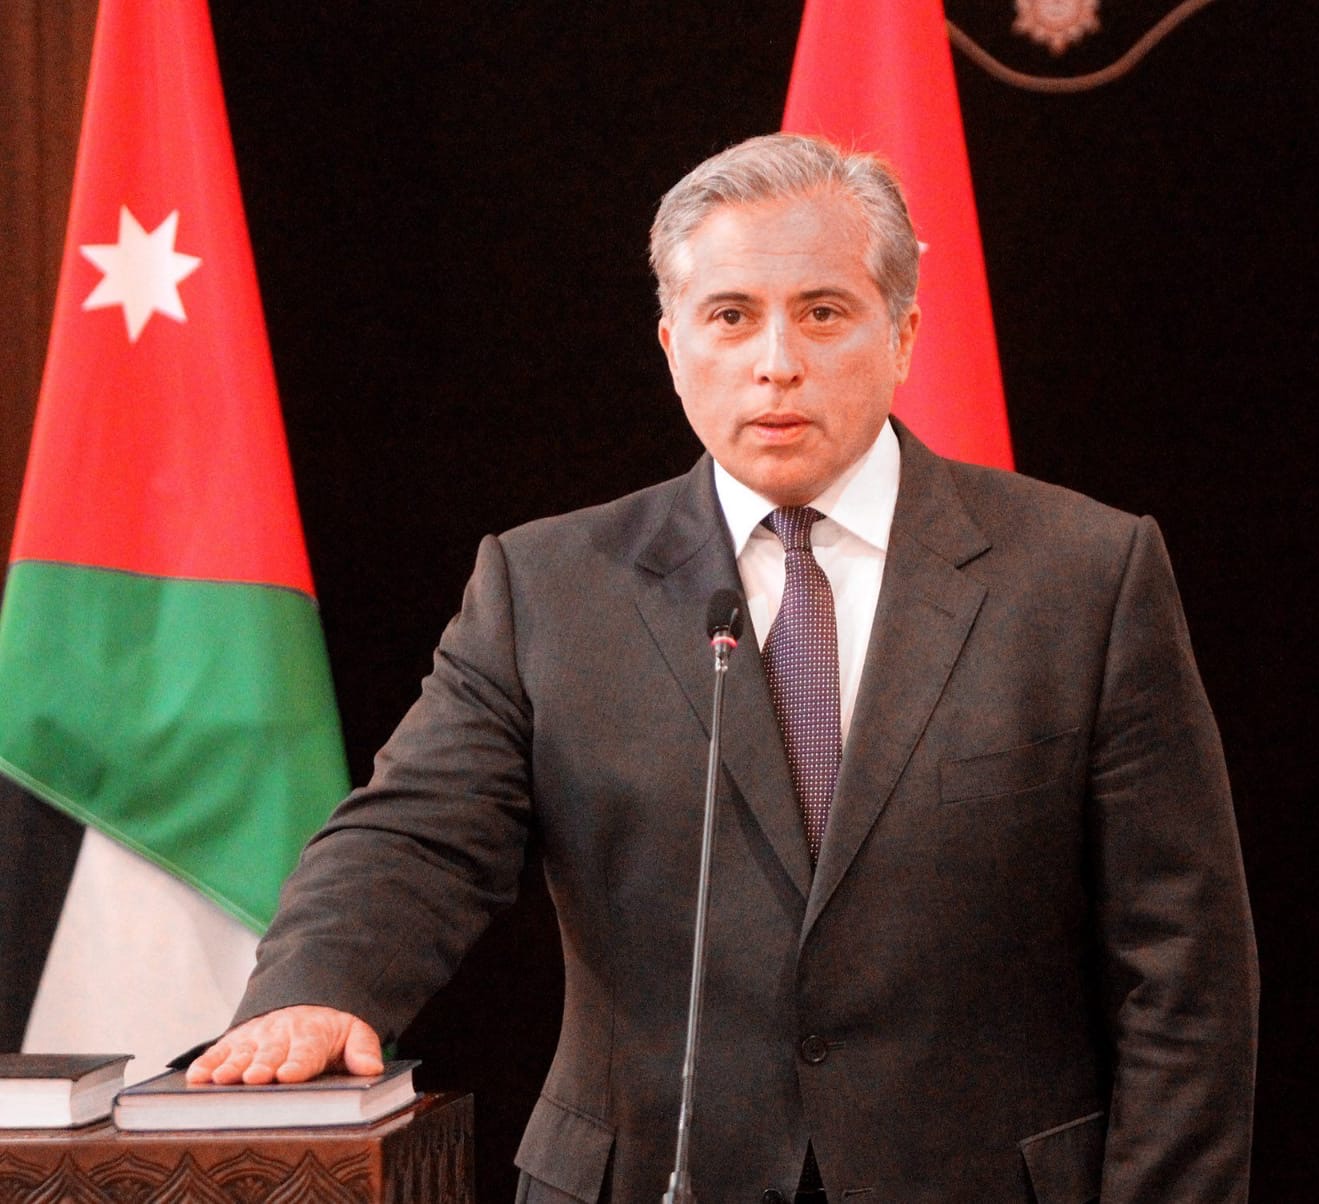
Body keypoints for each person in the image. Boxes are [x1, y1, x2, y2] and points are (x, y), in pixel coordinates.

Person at [189, 133, 1257, 1202]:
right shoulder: (546, 586)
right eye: (732, 315)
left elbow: (1183, 966)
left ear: (903, 335)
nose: (776, 361)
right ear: (672, 344)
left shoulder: (1080, 574)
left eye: (823, 312)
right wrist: (314, 987)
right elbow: (416, 834)